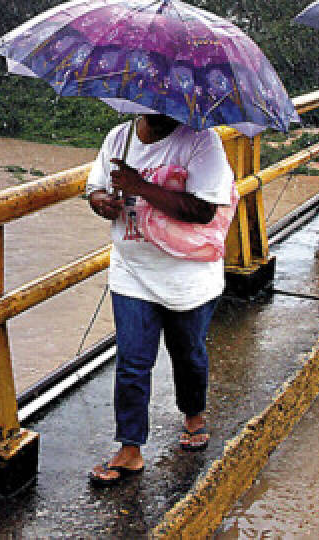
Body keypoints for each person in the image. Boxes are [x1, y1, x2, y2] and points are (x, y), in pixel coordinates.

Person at [84, 113, 236, 487]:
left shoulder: (202, 142)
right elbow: (94, 187)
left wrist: (139, 185)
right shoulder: (119, 138)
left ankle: (194, 413)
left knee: (188, 352)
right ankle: (130, 447)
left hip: (189, 274)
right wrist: (102, 200)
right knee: (133, 361)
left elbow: (203, 210)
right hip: (132, 269)